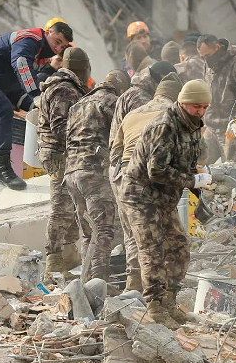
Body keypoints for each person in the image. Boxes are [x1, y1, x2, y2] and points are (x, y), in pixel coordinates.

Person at [121, 80, 212, 328]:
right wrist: (192, 180)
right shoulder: (164, 126)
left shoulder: (193, 126)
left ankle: (169, 302)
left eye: (204, 107)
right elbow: (157, 171)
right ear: (182, 102)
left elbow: (187, 164)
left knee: (179, 248)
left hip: (164, 198)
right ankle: (156, 307)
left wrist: (201, 186)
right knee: (152, 250)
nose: (200, 112)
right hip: (141, 196)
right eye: (196, 106)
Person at [0, 22, 72, 190]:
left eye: (62, 46)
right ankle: (4, 171)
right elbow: (21, 63)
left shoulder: (39, 51)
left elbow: (15, 89)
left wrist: (36, 106)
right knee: (2, 108)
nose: (57, 48)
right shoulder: (29, 39)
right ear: (48, 32)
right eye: (57, 41)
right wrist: (36, 95)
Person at [110, 73, 183, 291]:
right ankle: (158, 289)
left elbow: (114, 153)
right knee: (159, 236)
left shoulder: (132, 114)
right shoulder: (175, 113)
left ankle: (133, 285)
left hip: (123, 178)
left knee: (133, 234)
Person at [64, 69, 130, 283]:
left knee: (87, 233)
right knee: (103, 230)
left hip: (71, 173)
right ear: (122, 88)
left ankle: (86, 283)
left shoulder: (77, 105)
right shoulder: (113, 103)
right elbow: (123, 138)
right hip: (94, 173)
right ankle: (100, 283)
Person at [37, 47, 90, 279]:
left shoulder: (64, 86)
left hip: (61, 154)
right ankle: (54, 259)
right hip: (61, 155)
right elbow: (61, 127)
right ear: (84, 68)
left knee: (71, 205)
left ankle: (68, 254)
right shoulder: (65, 89)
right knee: (61, 208)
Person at [197, 35, 236, 161]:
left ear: (217, 47)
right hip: (211, 126)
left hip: (231, 128)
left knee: (232, 166)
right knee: (199, 163)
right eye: (202, 57)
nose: (205, 61)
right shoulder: (208, 66)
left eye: (207, 56)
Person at [109, 61, 175, 149]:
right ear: (163, 77)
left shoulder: (133, 92)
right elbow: (142, 136)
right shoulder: (142, 98)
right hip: (131, 152)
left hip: (121, 150)